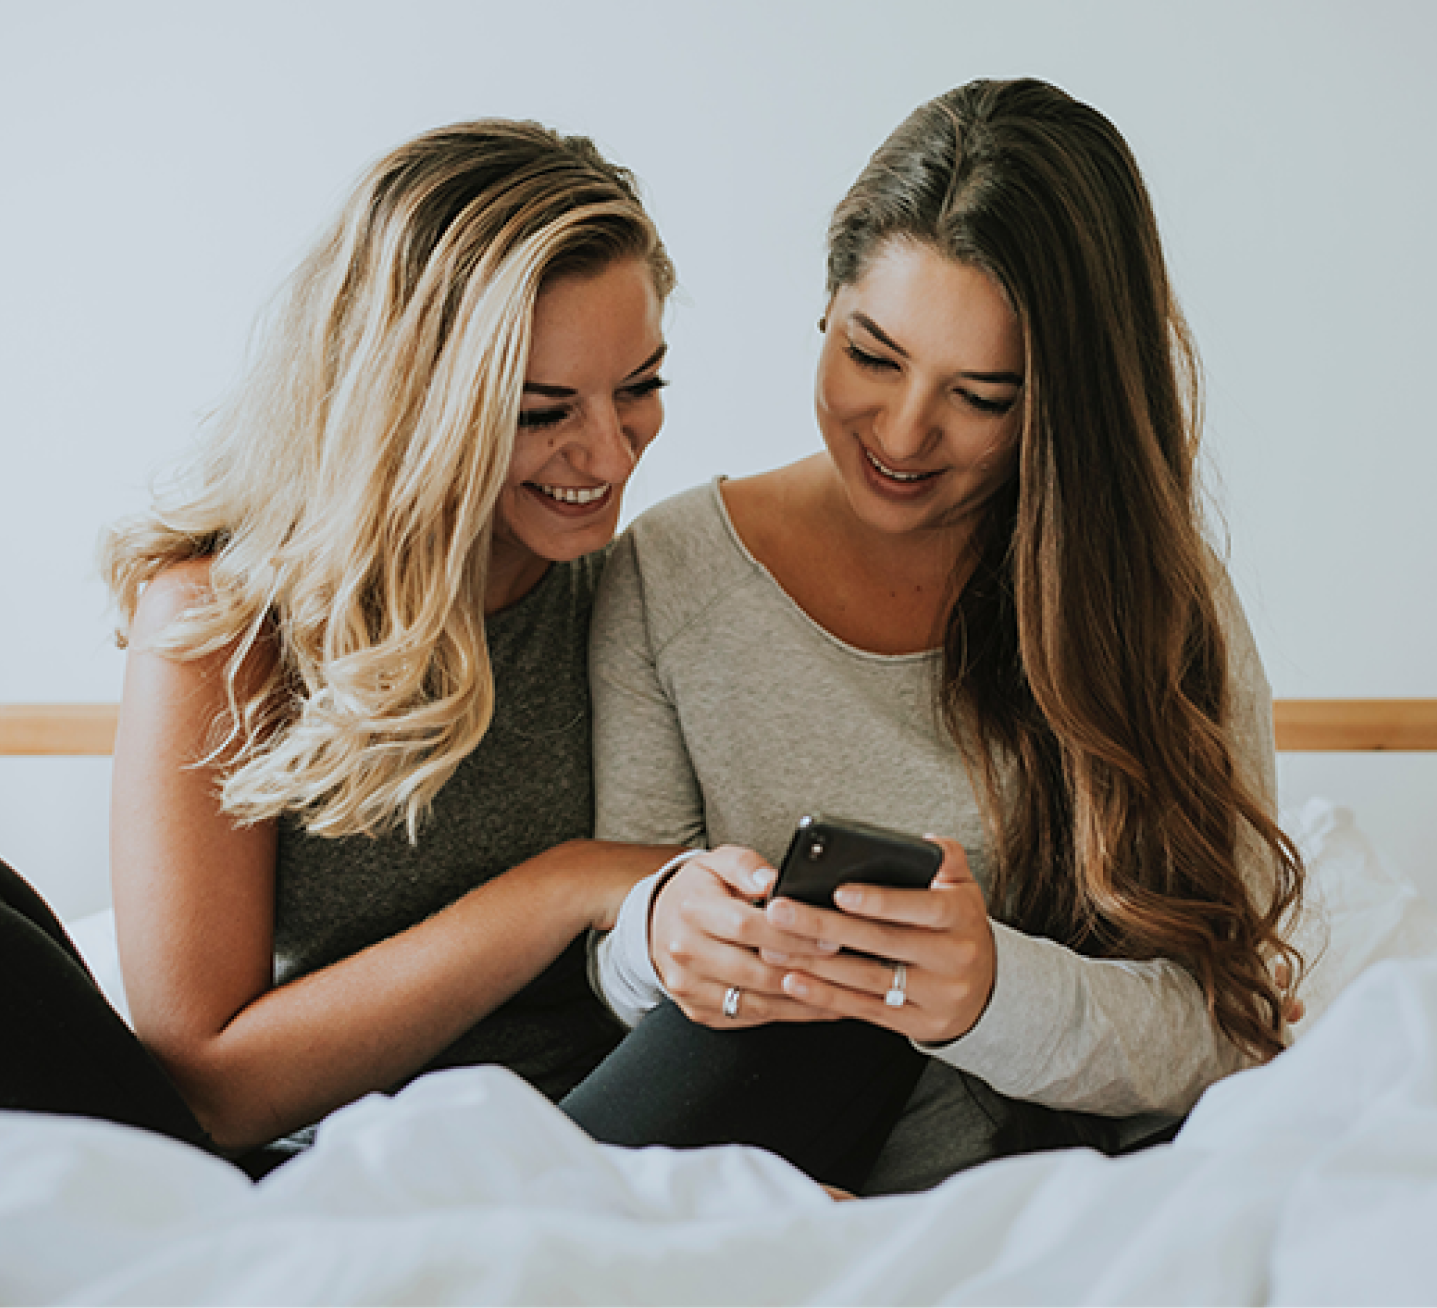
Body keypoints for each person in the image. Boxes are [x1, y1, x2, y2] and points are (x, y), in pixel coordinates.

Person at [2, 119, 924, 1192]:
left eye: (639, 387)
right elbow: (210, 1090)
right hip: (298, 1167)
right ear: (412, 405)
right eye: (542, 412)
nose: (607, 451)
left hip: (589, 1139)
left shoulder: (645, 587)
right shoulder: (222, 624)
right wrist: (563, 886)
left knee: (842, 996)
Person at [590, 77, 1305, 1195]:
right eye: (872, 357)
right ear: (824, 307)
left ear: (1063, 404)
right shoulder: (670, 571)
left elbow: (1229, 1024)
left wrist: (984, 993)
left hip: (1033, 1201)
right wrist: (657, 929)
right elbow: (613, 973)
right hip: (746, 1171)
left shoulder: (1159, 605)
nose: (904, 432)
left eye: (982, 396)